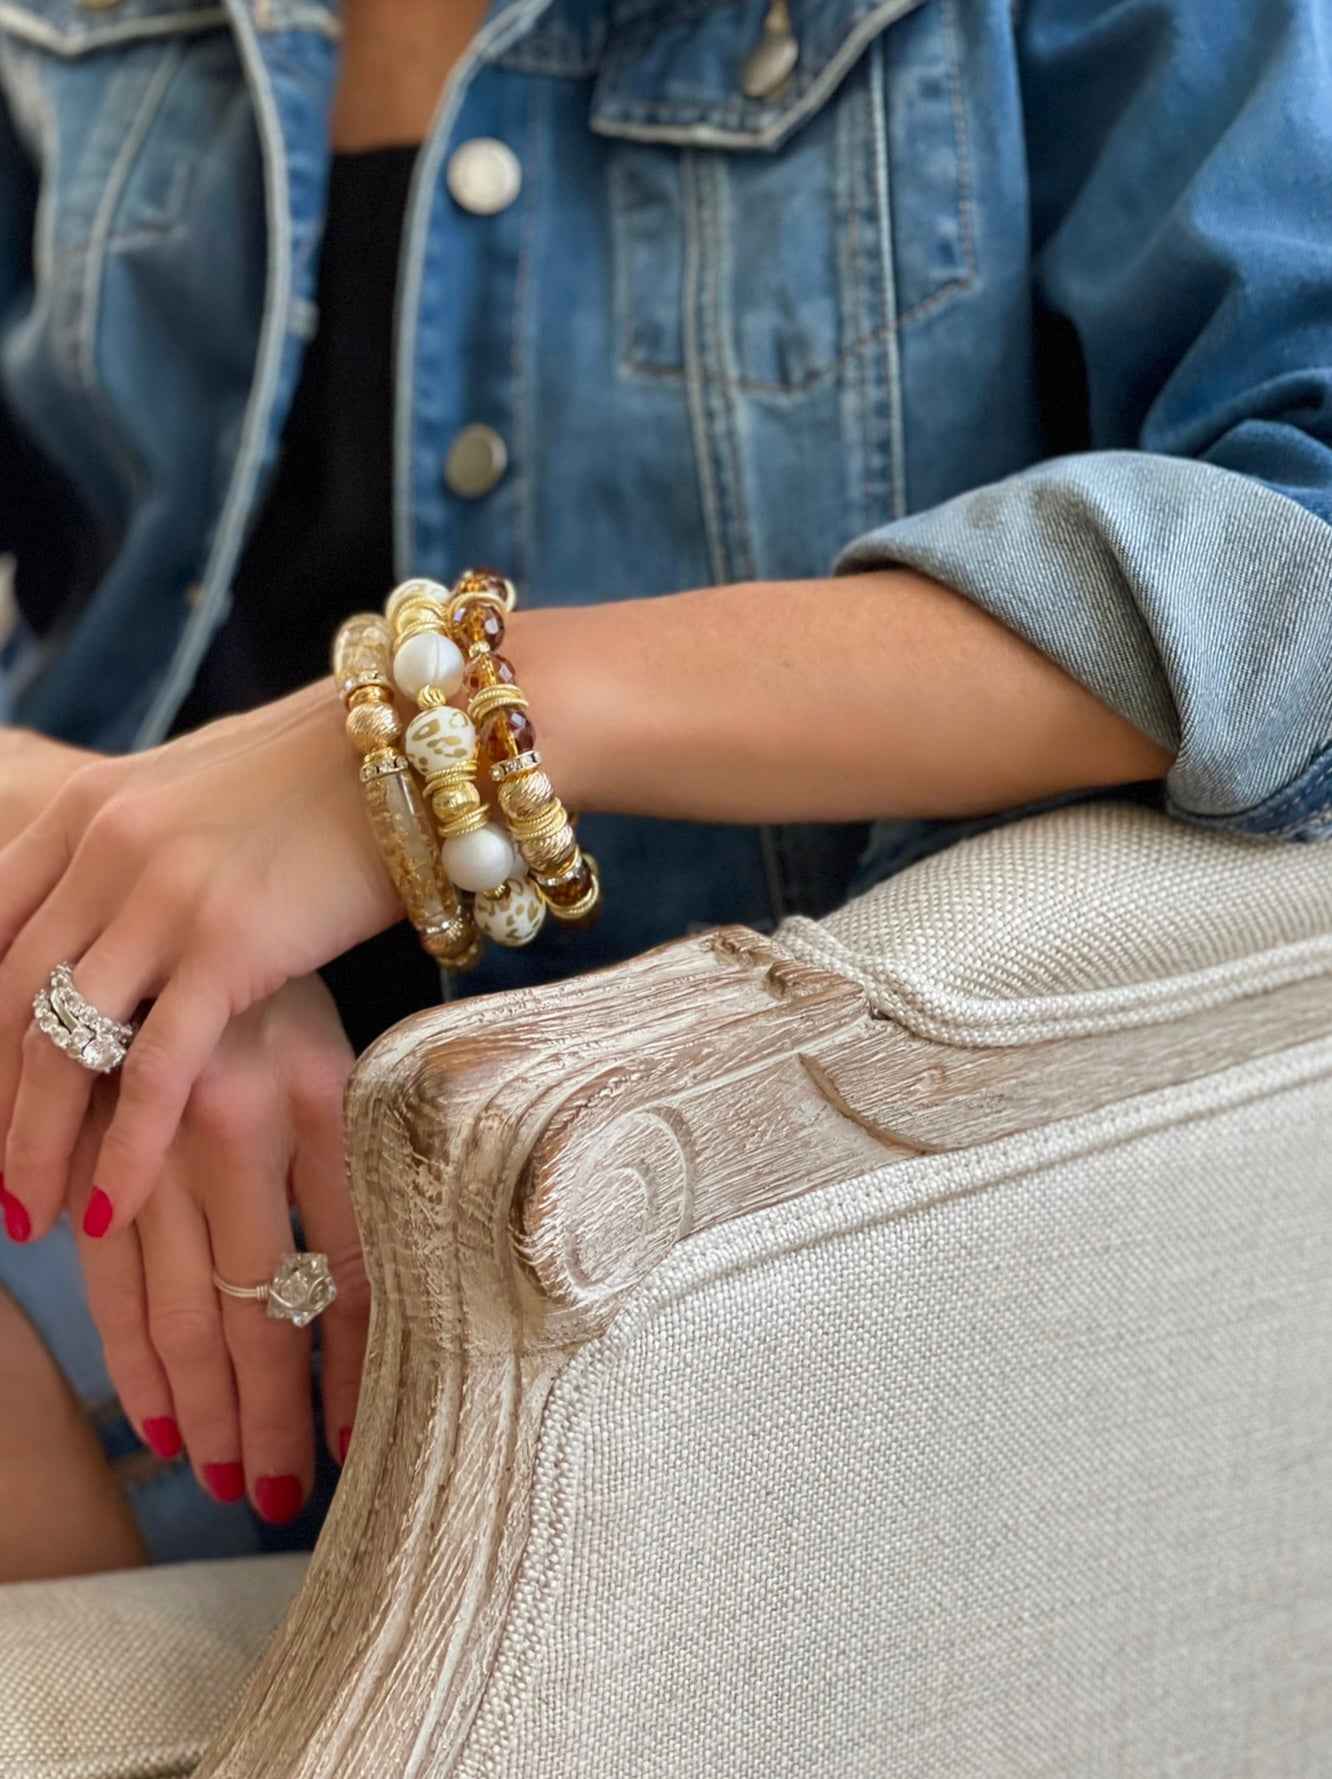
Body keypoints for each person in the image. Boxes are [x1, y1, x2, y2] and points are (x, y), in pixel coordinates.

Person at [0, 0, 1328, 1581]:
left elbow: (1296, 538)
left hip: (757, 1292)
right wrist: (142, 886)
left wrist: (444, 739)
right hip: (111, 1226)